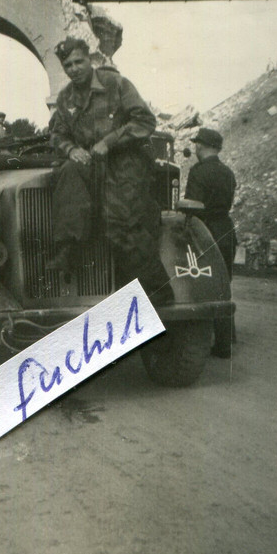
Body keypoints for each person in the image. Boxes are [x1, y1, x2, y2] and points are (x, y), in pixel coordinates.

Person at [49, 36, 173, 302]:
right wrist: (72, 149)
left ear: (90, 59)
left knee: (122, 229)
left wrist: (110, 141)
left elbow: (145, 120)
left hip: (125, 167)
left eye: (79, 61)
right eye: (68, 65)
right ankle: (66, 249)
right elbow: (57, 134)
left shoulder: (116, 84)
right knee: (67, 173)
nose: (74, 69)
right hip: (91, 166)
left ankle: (160, 295)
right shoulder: (65, 98)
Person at [185, 127, 237, 357]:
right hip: (226, 230)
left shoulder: (198, 171)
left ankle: (208, 340)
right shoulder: (227, 173)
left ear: (200, 146)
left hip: (205, 230)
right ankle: (227, 340)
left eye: (197, 144)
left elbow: (194, 206)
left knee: (202, 284)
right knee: (223, 284)